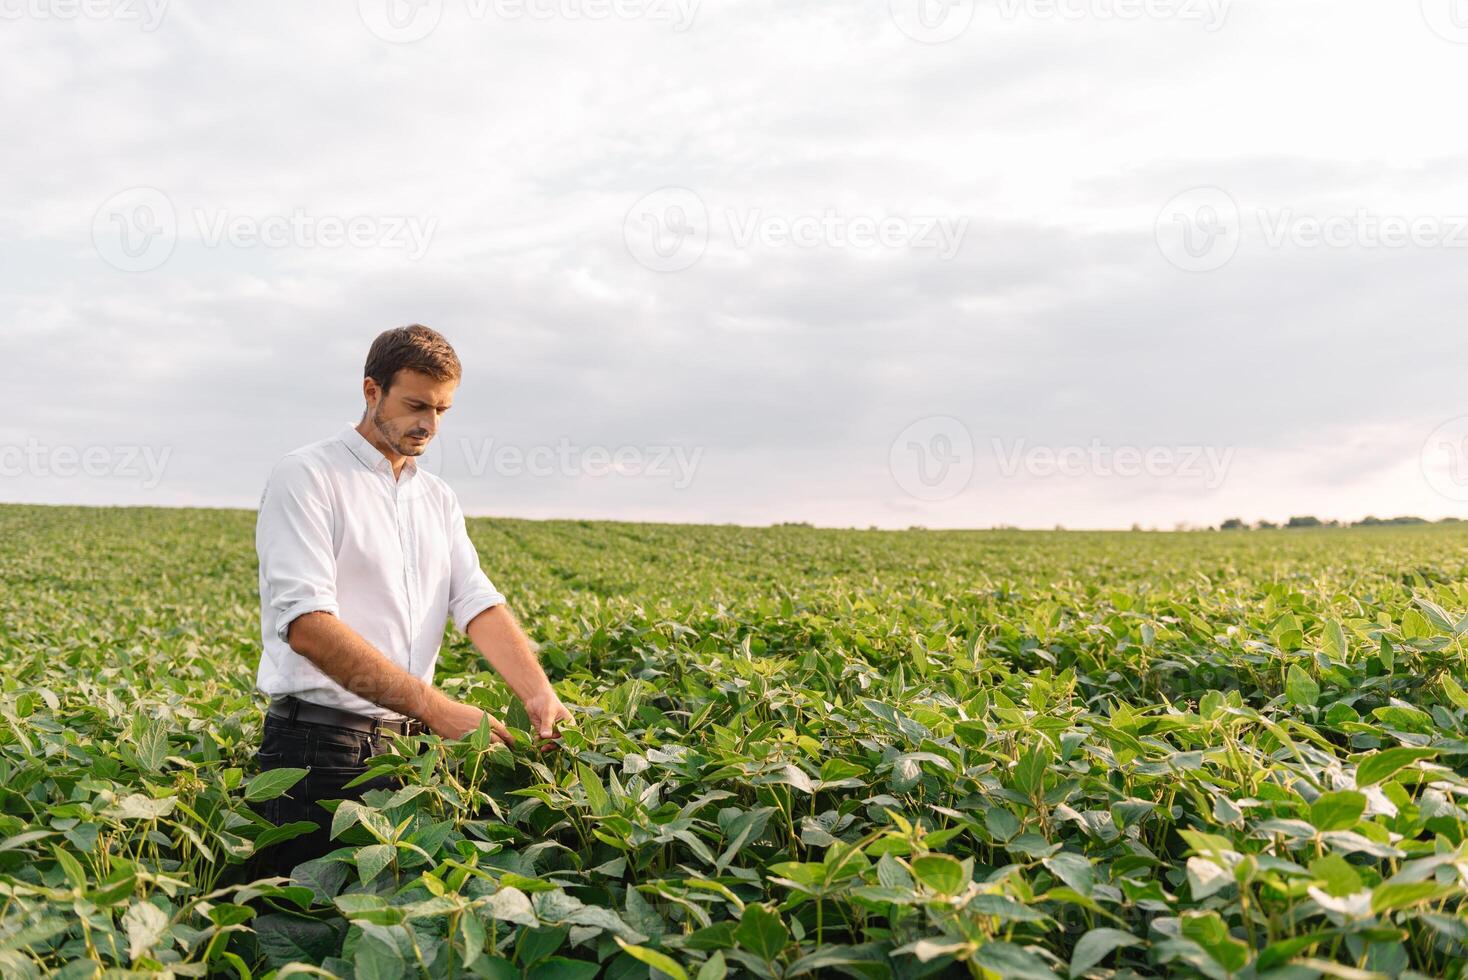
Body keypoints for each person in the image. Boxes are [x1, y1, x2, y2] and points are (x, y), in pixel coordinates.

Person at [246, 324, 571, 879]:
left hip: (407, 755)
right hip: (315, 751)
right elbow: (307, 625)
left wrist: (538, 693)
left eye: (443, 409)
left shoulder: (436, 497)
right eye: (416, 405)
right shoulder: (309, 476)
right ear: (372, 391)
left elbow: (475, 600)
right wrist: (435, 708)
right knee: (300, 930)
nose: (429, 424)